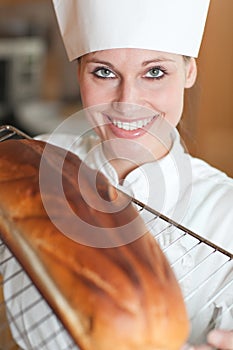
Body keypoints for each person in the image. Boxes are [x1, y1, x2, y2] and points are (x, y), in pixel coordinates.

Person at [0, 0, 232, 349]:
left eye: (154, 72)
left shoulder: (225, 212)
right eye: (104, 72)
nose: (127, 101)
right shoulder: (31, 165)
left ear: (189, 72)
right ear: (79, 73)